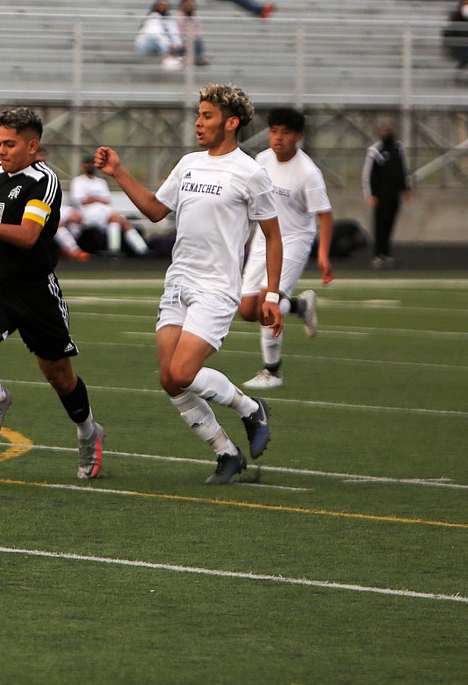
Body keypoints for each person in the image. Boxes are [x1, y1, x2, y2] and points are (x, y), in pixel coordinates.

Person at [94, 83, 282, 485]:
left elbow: (274, 235)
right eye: (198, 115)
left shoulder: (250, 172)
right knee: (169, 378)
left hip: (216, 287)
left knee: (182, 372)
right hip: (179, 280)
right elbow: (156, 210)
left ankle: (251, 409)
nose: (199, 122)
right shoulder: (188, 163)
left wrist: (271, 294)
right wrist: (118, 172)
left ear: (231, 123)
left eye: (207, 116)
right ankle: (226, 453)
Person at [0, 107, 105, 480]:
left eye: (10, 143)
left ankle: (88, 432)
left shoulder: (43, 180)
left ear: (33, 145)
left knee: (60, 376)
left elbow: (28, 235)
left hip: (36, 291)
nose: (1, 150)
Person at [238, 108, 333, 390]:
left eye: (286, 132)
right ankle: (300, 305)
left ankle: (272, 371)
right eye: (274, 131)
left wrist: (323, 254)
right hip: (263, 240)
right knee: (246, 310)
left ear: (298, 137)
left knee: (270, 303)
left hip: (293, 241)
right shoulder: (262, 160)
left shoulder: (308, 173)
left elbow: (324, 215)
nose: (278, 138)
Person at [67, 155, 150, 255]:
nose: (90, 166)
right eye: (87, 164)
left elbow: (106, 200)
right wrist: (97, 199)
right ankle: (118, 249)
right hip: (86, 213)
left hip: (103, 211)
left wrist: (92, 199)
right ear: (83, 166)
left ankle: (141, 249)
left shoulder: (101, 182)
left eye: (92, 164)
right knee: (115, 217)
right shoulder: (78, 181)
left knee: (121, 221)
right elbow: (80, 201)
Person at [361, 122, 412, 269]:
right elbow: (367, 174)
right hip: (380, 196)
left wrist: (406, 188)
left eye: (389, 130)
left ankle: (386, 253)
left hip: (393, 194)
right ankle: (378, 255)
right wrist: (370, 195)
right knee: (380, 225)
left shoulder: (399, 149)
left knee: (390, 223)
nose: (387, 133)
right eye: (384, 130)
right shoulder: (375, 151)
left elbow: (403, 169)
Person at [134, 0, 185, 69]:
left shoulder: (170, 20)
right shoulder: (152, 17)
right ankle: (169, 59)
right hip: (147, 45)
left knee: (178, 43)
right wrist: (168, 47)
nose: (162, 8)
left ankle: (174, 59)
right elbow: (157, 34)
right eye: (160, 5)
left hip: (162, 46)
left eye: (164, 6)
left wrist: (178, 45)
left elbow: (174, 34)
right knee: (155, 39)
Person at [176, 0, 208, 65]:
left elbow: (197, 30)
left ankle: (198, 58)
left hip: (193, 37)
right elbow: (179, 29)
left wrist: (193, 36)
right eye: (187, 4)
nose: (189, 6)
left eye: (190, 4)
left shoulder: (195, 15)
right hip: (182, 38)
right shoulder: (179, 15)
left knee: (198, 40)